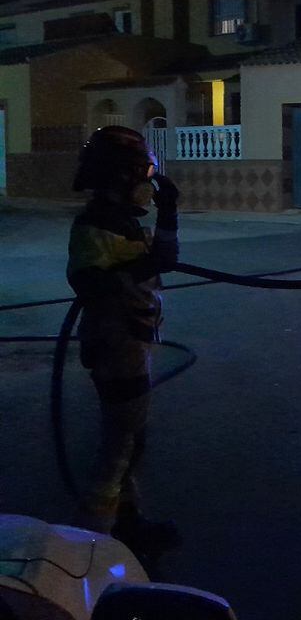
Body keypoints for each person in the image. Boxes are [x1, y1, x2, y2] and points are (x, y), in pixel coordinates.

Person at [66, 126, 180, 550]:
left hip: (131, 342)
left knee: (130, 439)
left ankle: (126, 521)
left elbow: (163, 259)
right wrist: (135, 270)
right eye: (143, 174)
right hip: (115, 345)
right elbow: (88, 280)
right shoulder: (95, 225)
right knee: (119, 447)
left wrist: (169, 213)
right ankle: (91, 542)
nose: (146, 185)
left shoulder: (122, 222)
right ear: (120, 177)